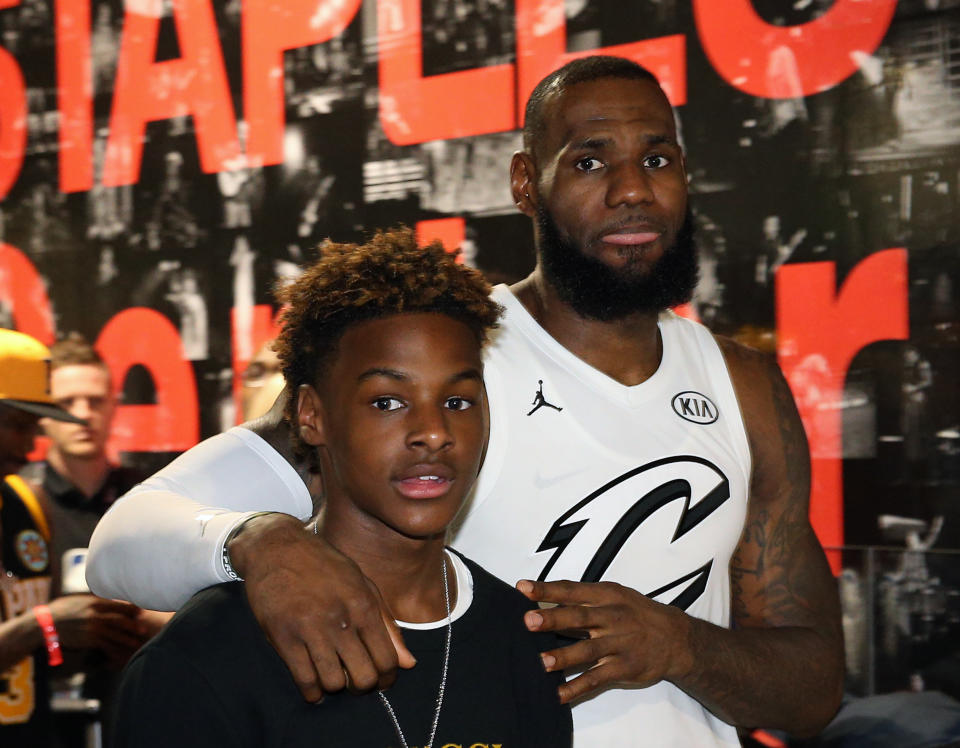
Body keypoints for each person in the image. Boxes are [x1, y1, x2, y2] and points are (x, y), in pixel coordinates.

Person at [88, 56, 844, 745]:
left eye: (657, 159)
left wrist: (680, 645)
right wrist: (262, 542)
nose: (632, 190)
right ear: (525, 183)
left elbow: (812, 692)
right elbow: (118, 550)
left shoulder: (740, 385)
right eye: (589, 161)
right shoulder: (445, 359)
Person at [111, 230, 572, 747]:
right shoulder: (205, 656)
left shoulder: (520, 638)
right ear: (311, 416)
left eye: (459, 401)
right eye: (387, 402)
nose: (435, 433)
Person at [0, 328, 143, 748]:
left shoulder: (26, 506)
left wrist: (100, 639)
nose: (30, 445)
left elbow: (42, 658)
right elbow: (38, 627)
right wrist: (45, 624)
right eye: (18, 425)